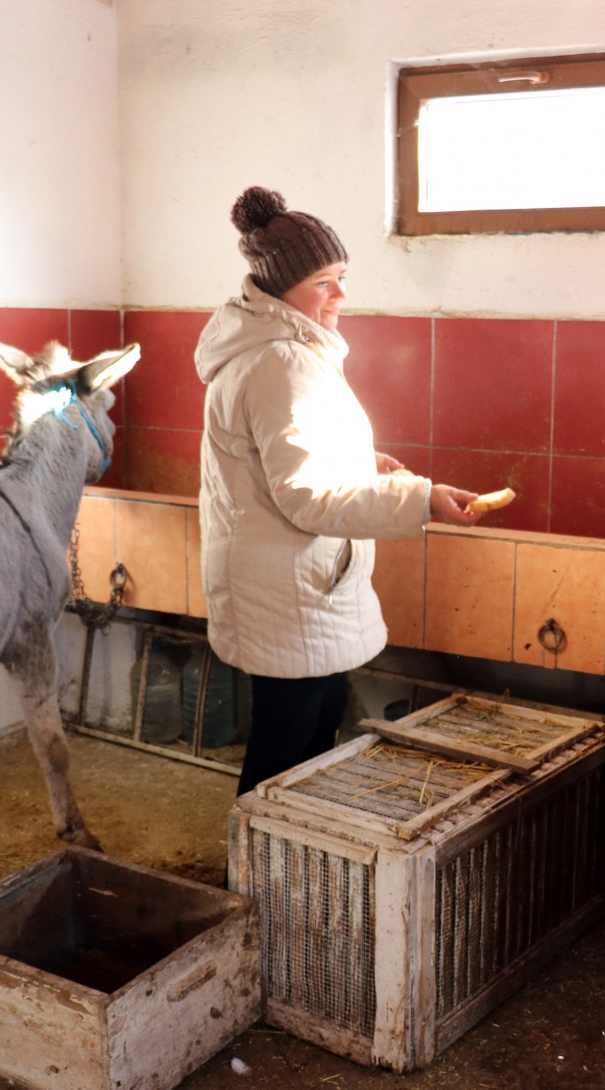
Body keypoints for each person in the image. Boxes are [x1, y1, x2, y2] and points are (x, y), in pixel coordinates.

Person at [196, 187, 484, 794]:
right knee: (286, 756)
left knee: (308, 737)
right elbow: (303, 496)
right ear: (282, 289)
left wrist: (358, 460)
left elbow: (279, 461)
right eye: (325, 282)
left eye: (341, 277)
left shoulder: (280, 351)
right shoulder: (280, 361)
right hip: (289, 592)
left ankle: (281, 874)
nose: (341, 296)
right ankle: (254, 882)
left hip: (291, 585)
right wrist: (421, 498)